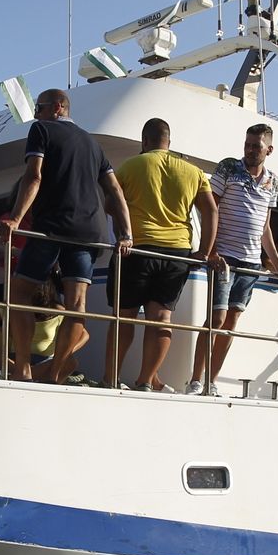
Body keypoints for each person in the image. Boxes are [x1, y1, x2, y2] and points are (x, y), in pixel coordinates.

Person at [0, 88, 134, 382]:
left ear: (58, 107)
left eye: (40, 107)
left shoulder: (41, 130)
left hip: (52, 227)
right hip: (89, 233)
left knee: (19, 293)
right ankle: (55, 373)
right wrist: (126, 233)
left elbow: (34, 176)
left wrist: (15, 219)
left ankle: (22, 368)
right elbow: (114, 190)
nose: (35, 113)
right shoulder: (93, 143)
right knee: (76, 306)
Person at [104, 118, 217, 391]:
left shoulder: (131, 166)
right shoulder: (194, 172)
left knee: (124, 316)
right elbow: (211, 210)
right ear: (169, 141)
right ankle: (145, 380)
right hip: (177, 254)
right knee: (161, 318)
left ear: (145, 141)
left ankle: (110, 379)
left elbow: (111, 205)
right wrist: (204, 251)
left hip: (137, 249)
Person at [186, 124, 278, 396]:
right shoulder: (228, 168)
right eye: (247, 144)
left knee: (231, 324)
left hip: (251, 262)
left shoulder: (273, 181)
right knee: (216, 318)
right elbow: (209, 208)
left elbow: (265, 228)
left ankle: (211, 382)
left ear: (268, 150)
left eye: (256, 146)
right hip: (224, 257)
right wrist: (209, 250)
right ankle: (196, 380)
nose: (249, 149)